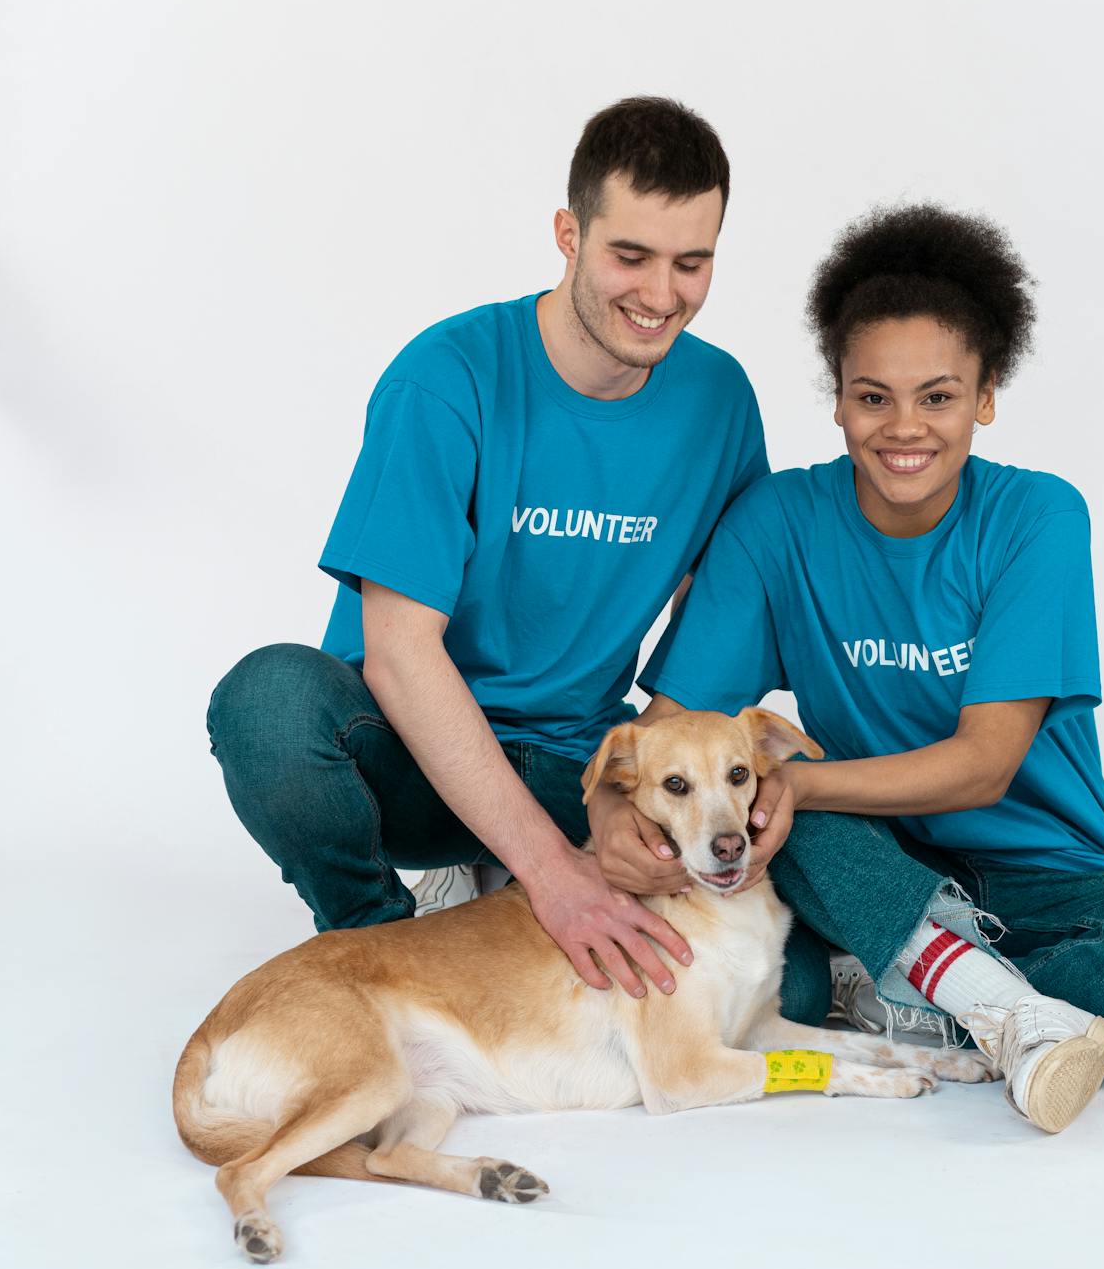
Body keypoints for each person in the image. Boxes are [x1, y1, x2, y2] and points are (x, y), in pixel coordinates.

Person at [591, 203, 1104, 1132]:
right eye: (872, 396)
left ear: (985, 397)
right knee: (765, 827)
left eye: (938, 396)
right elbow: (675, 734)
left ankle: (916, 990)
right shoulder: (775, 524)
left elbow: (984, 763)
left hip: (1046, 877)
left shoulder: (1036, 520)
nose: (902, 427)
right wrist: (611, 817)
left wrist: (803, 787)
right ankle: (998, 1015)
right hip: (855, 863)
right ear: (836, 397)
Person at [205, 96, 769, 1000]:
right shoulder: (447, 377)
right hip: (411, 758)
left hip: (575, 764)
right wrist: (555, 874)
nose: (662, 296)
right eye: (630, 256)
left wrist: (642, 791)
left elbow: (724, 616)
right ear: (568, 234)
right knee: (266, 703)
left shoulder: (721, 400)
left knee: (809, 814)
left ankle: (496, 881)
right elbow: (395, 654)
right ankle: (381, 949)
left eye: (690, 264)